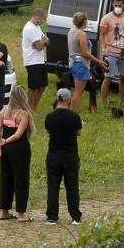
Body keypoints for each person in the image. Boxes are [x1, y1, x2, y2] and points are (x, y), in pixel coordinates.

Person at [0, 84, 35, 222]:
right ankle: (21, 214)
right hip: (20, 149)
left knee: (6, 178)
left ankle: (4, 211)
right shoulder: (23, 114)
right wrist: (5, 141)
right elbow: (19, 134)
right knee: (21, 179)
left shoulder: (4, 111)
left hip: (5, 151)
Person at [44, 87, 83, 224]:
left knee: (53, 186)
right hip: (70, 156)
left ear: (57, 98)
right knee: (72, 186)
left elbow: (49, 131)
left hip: (54, 155)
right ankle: (75, 216)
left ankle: (52, 216)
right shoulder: (74, 116)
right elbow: (78, 133)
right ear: (69, 100)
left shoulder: (50, 117)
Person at [98, 0, 124, 113]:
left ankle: (123, 102)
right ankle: (104, 103)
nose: (117, 7)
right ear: (113, 4)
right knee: (108, 77)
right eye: (115, 5)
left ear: (123, 5)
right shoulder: (106, 18)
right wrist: (104, 50)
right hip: (111, 51)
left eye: (120, 5)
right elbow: (102, 35)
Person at [67, 12, 106, 112]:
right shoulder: (82, 34)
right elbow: (85, 53)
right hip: (81, 64)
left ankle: (70, 113)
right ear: (84, 21)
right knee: (78, 92)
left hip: (73, 62)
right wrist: (99, 62)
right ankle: (73, 116)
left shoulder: (71, 31)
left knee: (76, 91)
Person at [21, 8, 50, 109]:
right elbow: (39, 46)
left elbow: (47, 41)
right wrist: (42, 43)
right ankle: (28, 109)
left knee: (42, 86)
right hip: (32, 62)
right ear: (38, 16)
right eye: (43, 19)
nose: (43, 21)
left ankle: (33, 108)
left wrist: (42, 42)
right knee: (33, 87)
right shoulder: (29, 28)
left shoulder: (37, 27)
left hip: (40, 60)